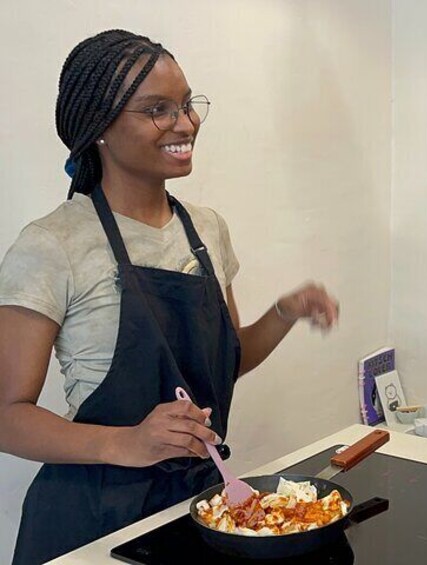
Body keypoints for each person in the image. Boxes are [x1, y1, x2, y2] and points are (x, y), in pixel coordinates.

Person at [0, 30, 339, 564]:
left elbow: (222, 362)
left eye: (186, 104)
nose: (185, 124)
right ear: (99, 128)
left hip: (196, 505)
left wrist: (283, 313)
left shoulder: (205, 231)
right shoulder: (52, 245)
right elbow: (7, 413)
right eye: (157, 109)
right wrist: (125, 443)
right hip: (92, 522)